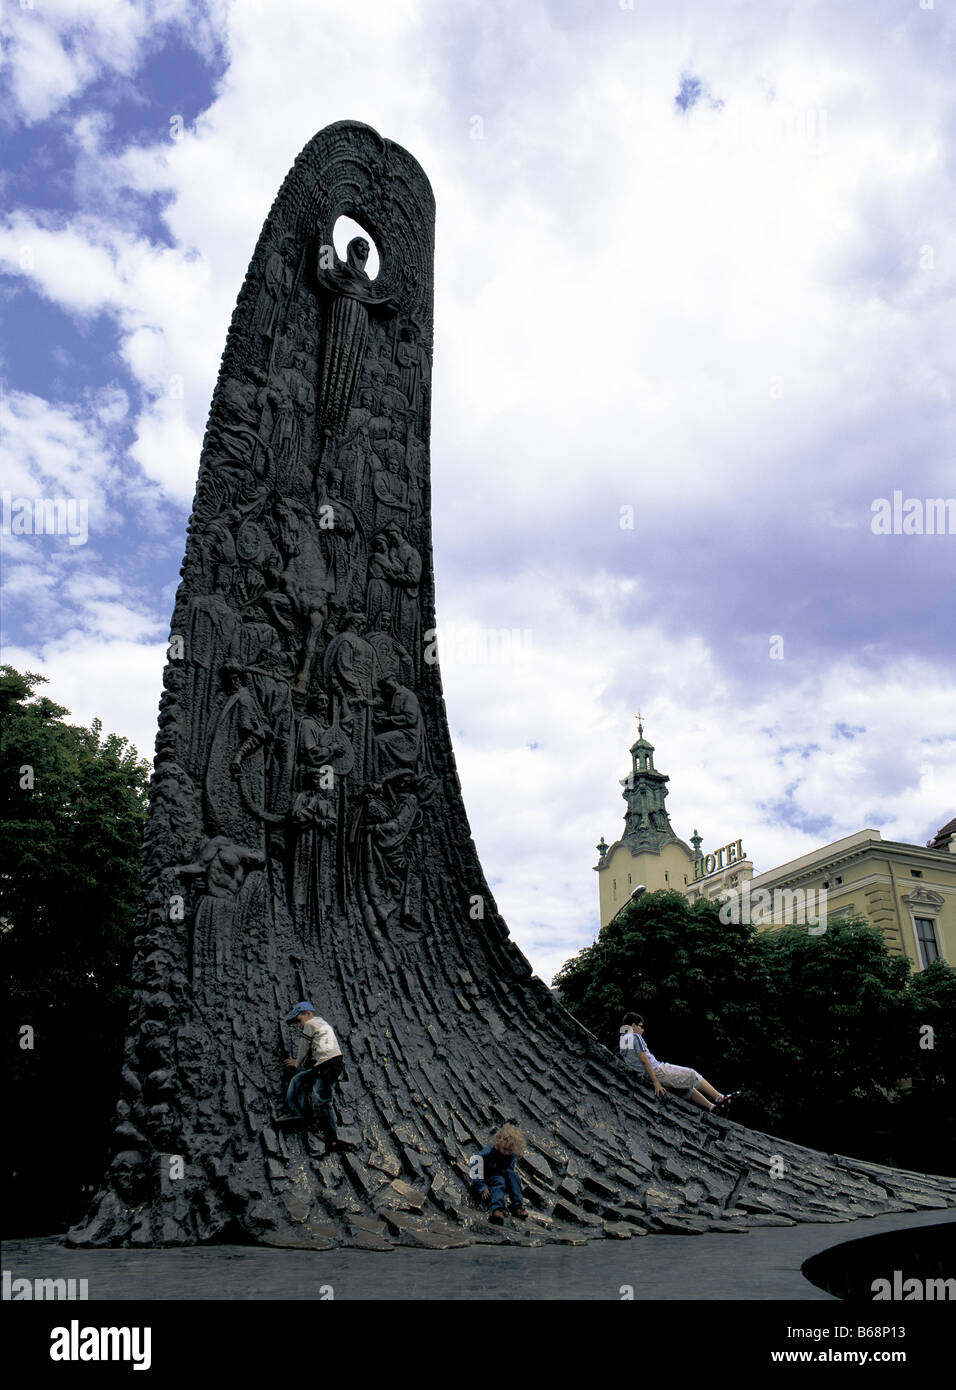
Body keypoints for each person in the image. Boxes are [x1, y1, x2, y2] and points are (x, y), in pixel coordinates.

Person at [619, 1012, 738, 1114]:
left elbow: (632, 1063)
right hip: (658, 1071)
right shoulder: (635, 1037)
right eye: (640, 1026)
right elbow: (644, 1061)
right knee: (692, 1075)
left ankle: (712, 1108)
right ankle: (720, 1098)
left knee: (685, 1089)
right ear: (633, 1025)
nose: (642, 1030)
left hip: (645, 1077)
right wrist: (656, 1083)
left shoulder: (623, 1041)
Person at [283, 1001, 347, 1149]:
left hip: (327, 1065)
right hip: (331, 1063)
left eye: (299, 1020)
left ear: (309, 1014)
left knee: (323, 1099)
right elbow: (323, 1046)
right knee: (298, 1080)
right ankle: (297, 1112)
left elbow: (304, 1048)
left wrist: (296, 1062)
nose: (300, 1025)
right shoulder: (323, 1024)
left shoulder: (310, 1025)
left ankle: (331, 1138)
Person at [470, 1124, 528, 1225]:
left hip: (501, 1173)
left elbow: (510, 1168)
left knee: (514, 1177)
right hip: (487, 1175)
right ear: (499, 1143)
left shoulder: (511, 1155)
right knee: (499, 1181)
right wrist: (482, 1186)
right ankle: (497, 1209)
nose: (506, 1153)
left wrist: (511, 1181)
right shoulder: (490, 1151)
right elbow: (476, 1160)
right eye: (504, 1149)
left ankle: (517, 1205)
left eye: (510, 1151)